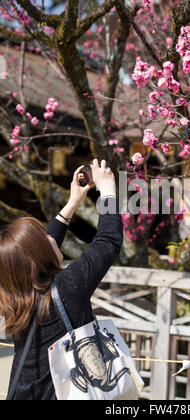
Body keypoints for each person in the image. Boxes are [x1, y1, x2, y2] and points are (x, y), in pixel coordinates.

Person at [0, 160, 123, 400]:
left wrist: (73, 202)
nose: (51, 237)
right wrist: (108, 190)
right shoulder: (67, 288)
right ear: (39, 255)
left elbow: (34, 248)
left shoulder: (13, 295)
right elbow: (108, 241)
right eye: (43, 239)